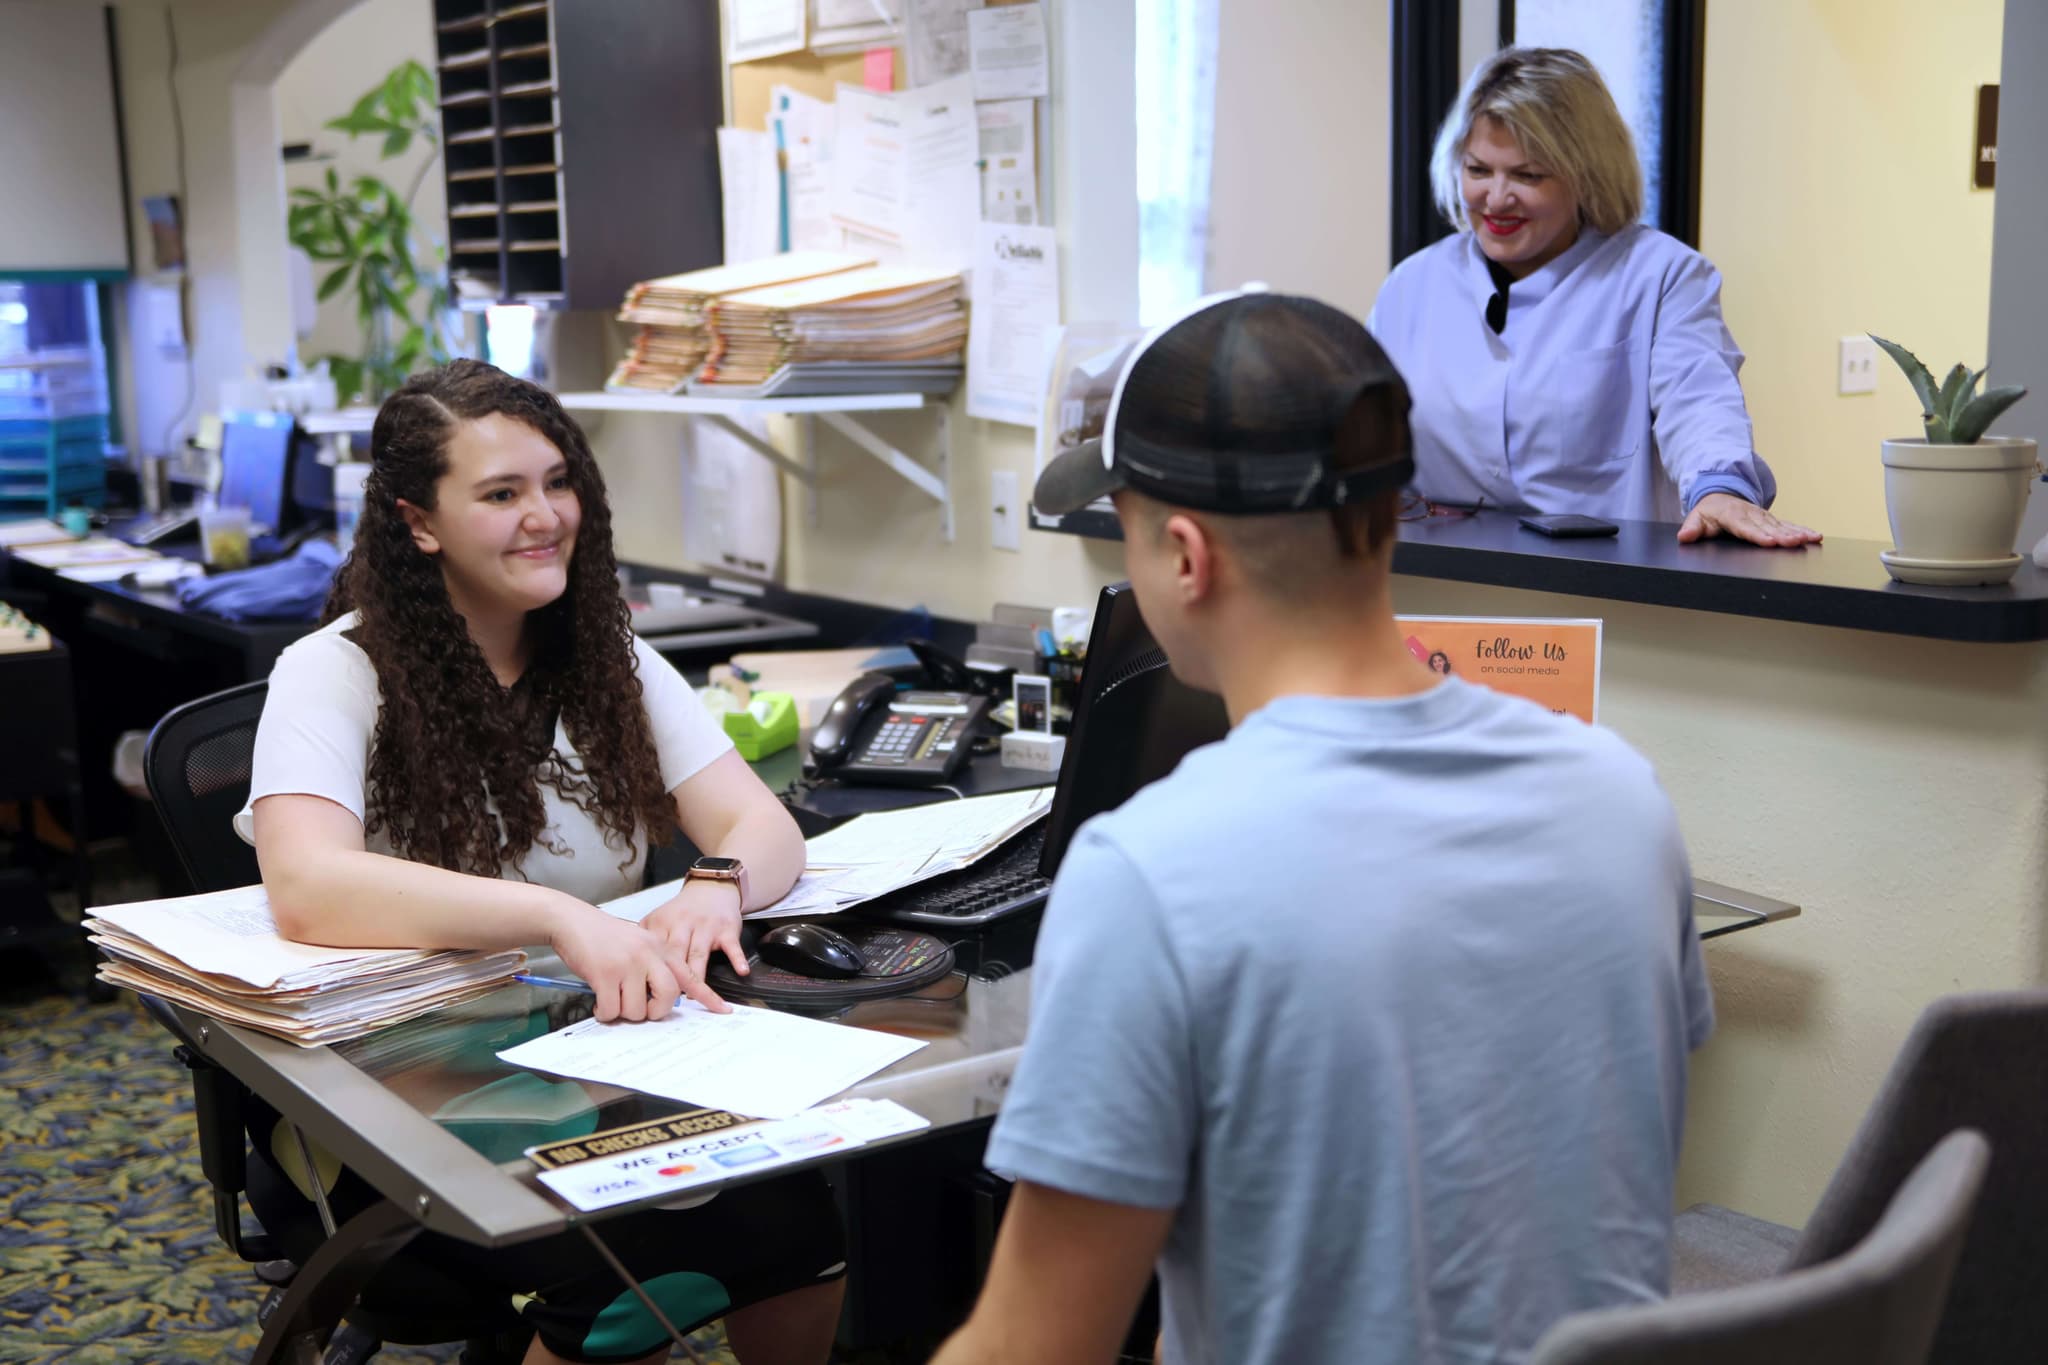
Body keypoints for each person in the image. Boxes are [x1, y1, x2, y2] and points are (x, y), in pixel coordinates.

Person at [936, 291, 1714, 1365]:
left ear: (1183, 557)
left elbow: (1032, 1348)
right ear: (1390, 513)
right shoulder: (1620, 802)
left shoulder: (1152, 875)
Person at [237, 360, 844, 1365]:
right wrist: (558, 918)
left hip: (601, 1050)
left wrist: (715, 879)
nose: (545, 514)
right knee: (625, 1262)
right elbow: (307, 886)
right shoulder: (333, 672)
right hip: (401, 1075)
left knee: (796, 1217)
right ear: (418, 522)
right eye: (502, 493)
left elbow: (761, 823)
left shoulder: (606, 656)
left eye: (557, 482)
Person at [1368, 47, 1820, 548]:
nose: (1496, 199)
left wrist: (1720, 487)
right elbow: (1365, 433)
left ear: (1586, 174)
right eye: (1478, 170)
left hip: (1603, 584)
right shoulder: (1414, 285)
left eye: (1528, 175)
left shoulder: (1660, 275)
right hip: (1447, 580)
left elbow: (1698, 399)